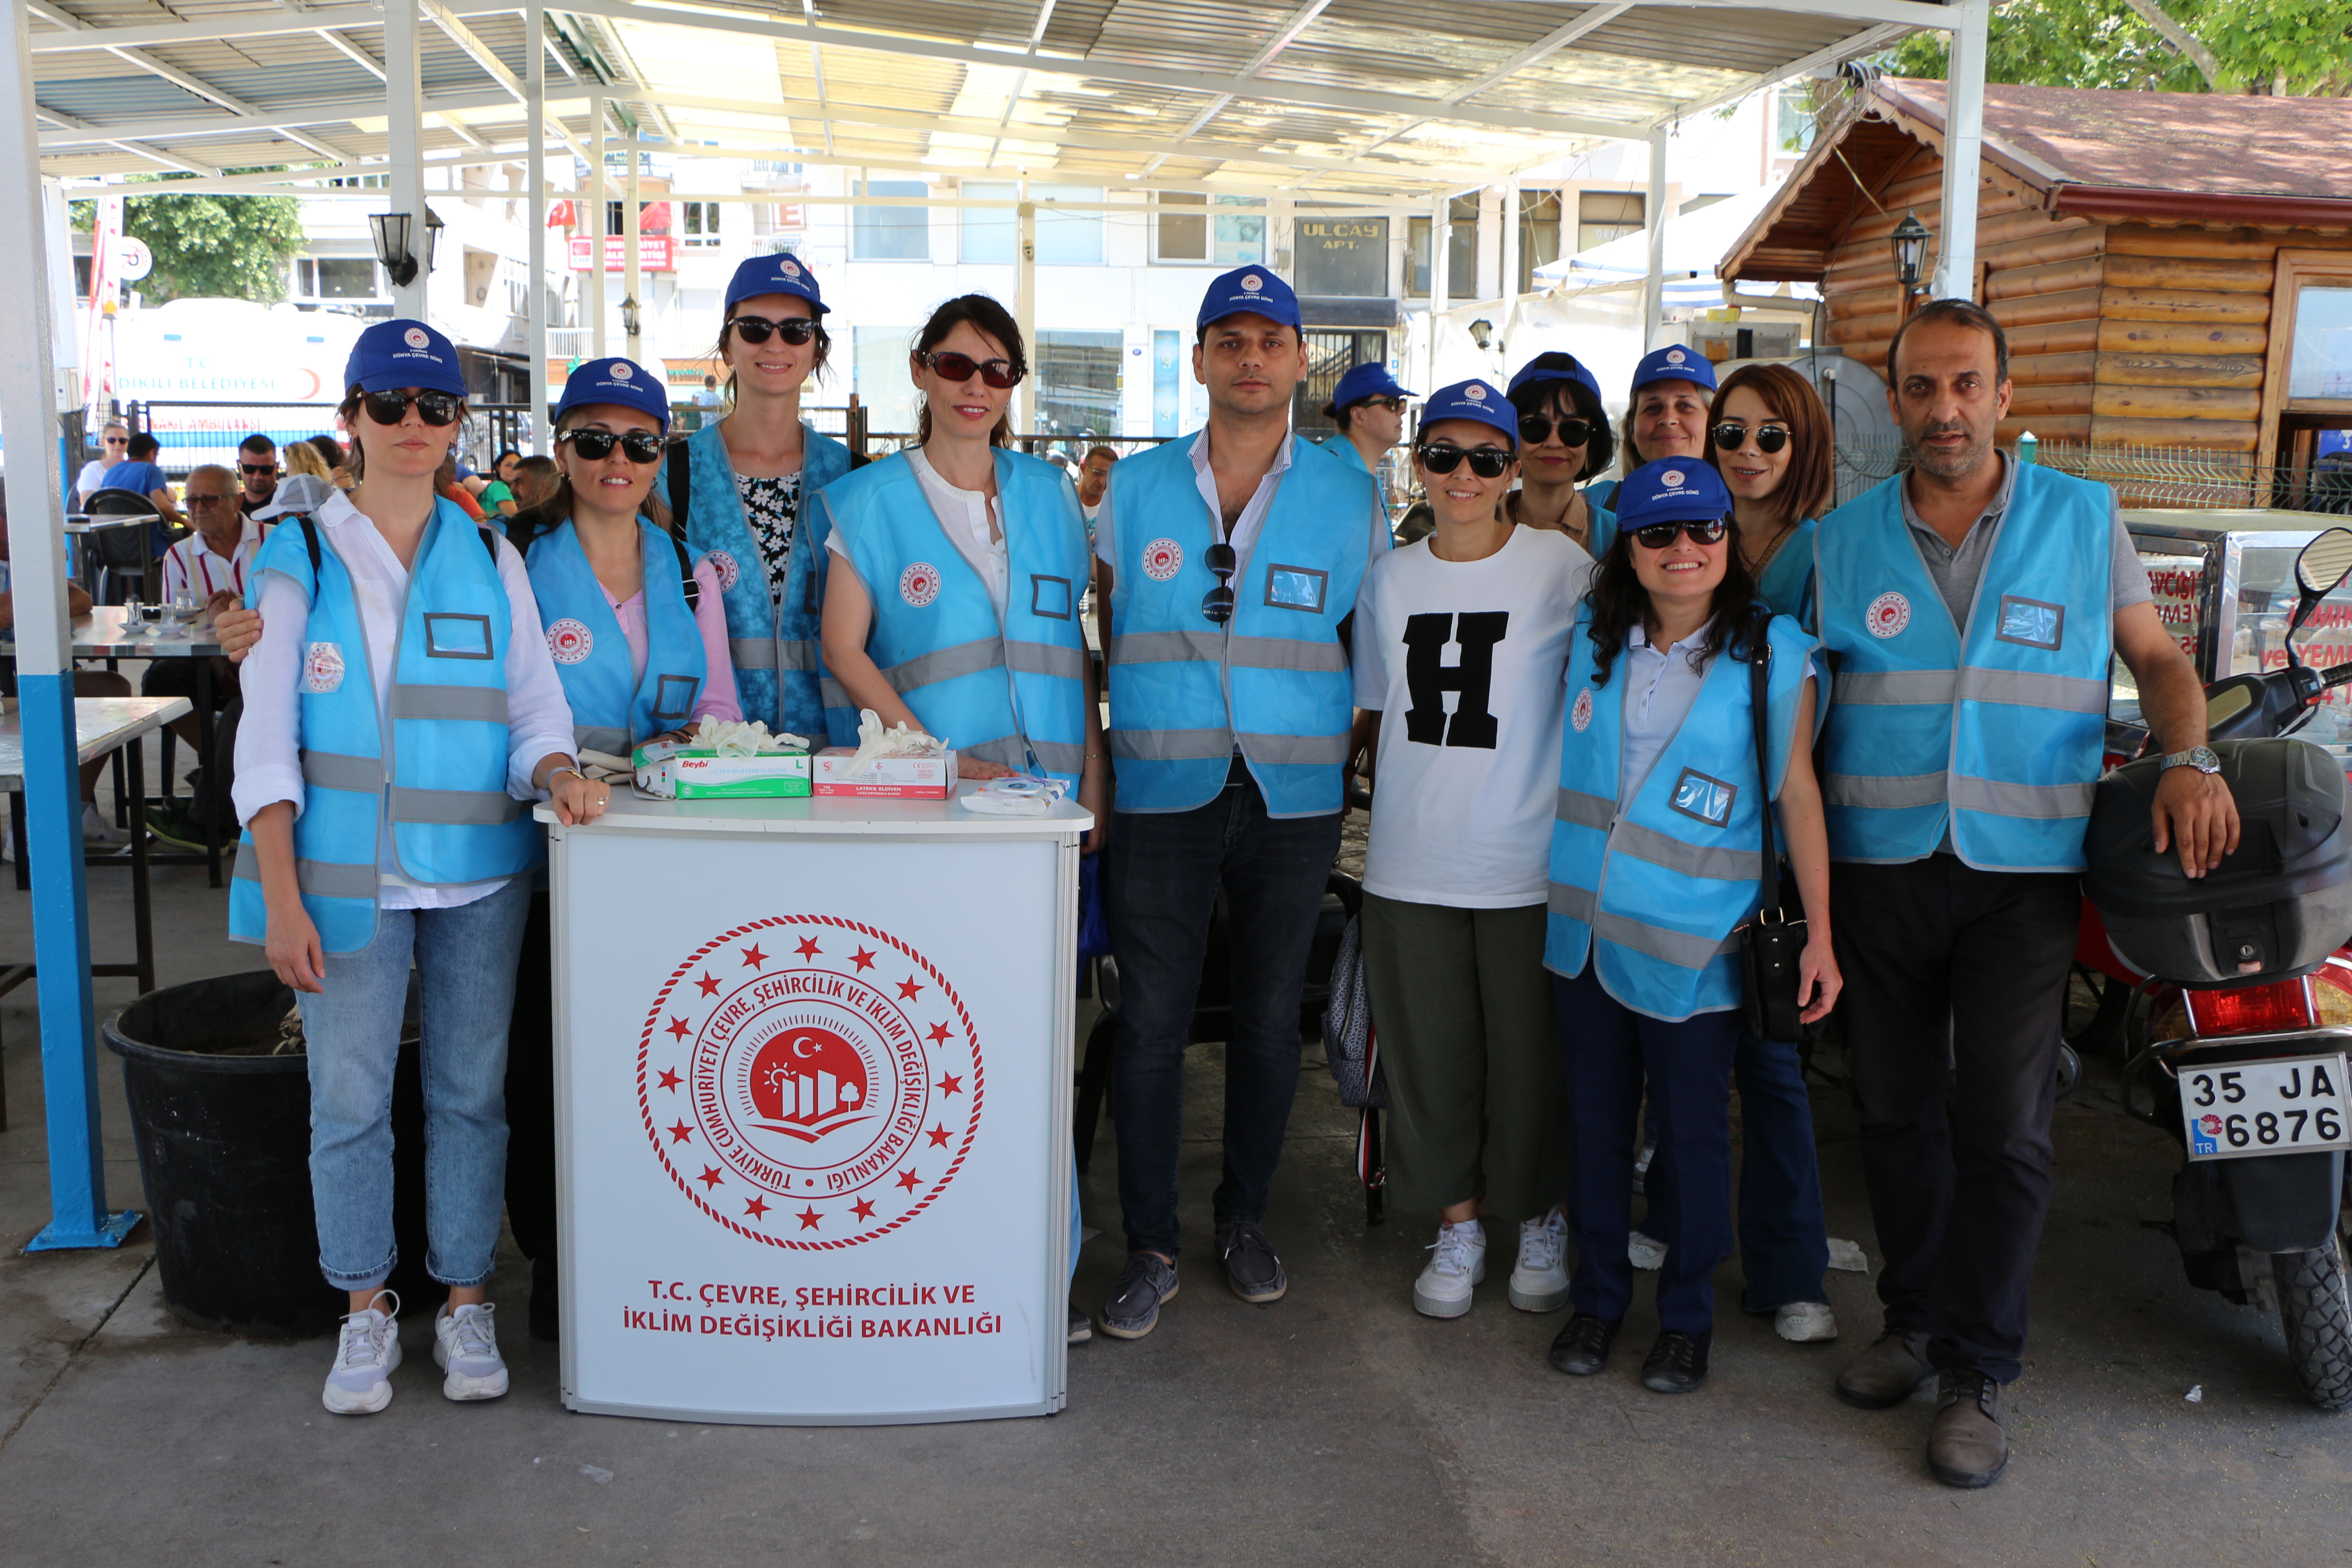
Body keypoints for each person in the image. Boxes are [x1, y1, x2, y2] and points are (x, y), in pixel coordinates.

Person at [1817, 298, 2235, 1487]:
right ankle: (1911, 1322)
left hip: (2024, 874)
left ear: (2005, 398)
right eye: (1921, 388)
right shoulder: (1843, 543)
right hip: (1882, 865)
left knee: (2002, 1127)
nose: (1944, 410)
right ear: (1894, 402)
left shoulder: (2080, 517)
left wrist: (2190, 758)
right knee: (1893, 1111)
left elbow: (2157, 661)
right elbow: (1781, 693)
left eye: (1966, 386)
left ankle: (1978, 1370)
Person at [227, 317, 600, 1417]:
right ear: (349, 420)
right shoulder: (294, 554)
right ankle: (364, 1305)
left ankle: (465, 1296)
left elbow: (534, 700)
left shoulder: (488, 550)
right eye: (387, 404)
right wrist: (281, 890)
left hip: (481, 871)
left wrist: (558, 770)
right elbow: (264, 736)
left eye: (433, 407)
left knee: (469, 1096)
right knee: (346, 1096)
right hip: (345, 882)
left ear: (456, 425)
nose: (411, 425)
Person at [1090, 266, 1387, 1340]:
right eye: (1230, 339)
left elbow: (1369, 651)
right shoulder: (1133, 488)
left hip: (1292, 793)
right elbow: (1110, 620)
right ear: (1201, 358)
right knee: (1151, 1024)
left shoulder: (1352, 495)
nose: (1251, 357)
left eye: (1271, 340)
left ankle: (1245, 1216)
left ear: (1302, 359)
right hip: (1163, 786)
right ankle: (1151, 1243)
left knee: (1269, 1021)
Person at [1544, 459, 1838, 1396]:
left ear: (1729, 539)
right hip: (1585, 933)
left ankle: (1685, 1320)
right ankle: (1596, 1300)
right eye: (1660, 532)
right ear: (1627, 547)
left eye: (1704, 530)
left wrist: (1822, 934)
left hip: (1696, 942)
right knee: (1592, 1129)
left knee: (1693, 1134)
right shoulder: (1593, 639)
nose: (1685, 550)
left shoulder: (1773, 653)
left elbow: (1797, 796)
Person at [505, 357, 742, 1342]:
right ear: (563, 450)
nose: (617, 460)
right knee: (551, 1064)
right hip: (548, 855)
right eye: (594, 440)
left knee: (660, 1064)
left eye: (640, 443)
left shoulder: (692, 574)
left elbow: (724, 707)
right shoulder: (509, 561)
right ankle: (559, 1272)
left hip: (662, 863)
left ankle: (655, 1261)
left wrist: (692, 747)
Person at [1348, 379, 1592, 1320]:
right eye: (1443, 455)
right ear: (1420, 464)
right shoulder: (1391, 578)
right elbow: (1376, 710)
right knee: (1431, 1057)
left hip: (1528, 858)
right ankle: (1458, 1223)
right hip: (1413, 856)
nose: (1464, 474)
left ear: (1514, 469)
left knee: (1531, 1057)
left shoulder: (1562, 571)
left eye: (1487, 458)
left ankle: (1538, 1215)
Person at [1627, 360, 1845, 1348]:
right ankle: (1677, 1224)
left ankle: (1791, 1268)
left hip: (1768, 853)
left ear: (1804, 447)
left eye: (1771, 436)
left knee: (1767, 1062)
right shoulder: (1680, 537)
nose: (1748, 452)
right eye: (1732, 433)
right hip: (1679, 859)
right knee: (1680, 1048)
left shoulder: (1825, 557)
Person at [663, 251, 855, 738]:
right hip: (714, 758)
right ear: (727, 346)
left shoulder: (852, 478)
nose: (775, 343)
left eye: (795, 330)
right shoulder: (676, 475)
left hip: (838, 758)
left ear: (817, 350)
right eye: (754, 328)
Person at [0, 490, 122, 845]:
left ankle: (77, 810)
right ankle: (28, 825)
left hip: (27, 677)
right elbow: (7, 614)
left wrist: (44, 571)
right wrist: (36, 569)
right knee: (41, 703)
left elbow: (81, 601)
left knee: (111, 690)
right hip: (9, 687)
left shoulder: (15, 565)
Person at [145, 463, 250, 755]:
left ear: (237, 501)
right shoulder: (178, 556)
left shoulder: (273, 540)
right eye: (192, 500)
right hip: (209, 666)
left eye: (210, 499)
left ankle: (219, 770)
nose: (199, 508)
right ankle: (219, 757)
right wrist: (217, 660)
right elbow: (174, 627)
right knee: (160, 679)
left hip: (267, 657)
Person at [1503, 353, 1617, 555]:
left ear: (1592, 442)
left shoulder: (1620, 539)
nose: (1554, 443)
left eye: (1573, 430)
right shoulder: (1468, 531)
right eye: (1535, 427)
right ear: (1510, 436)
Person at [1587, 345, 1715, 514]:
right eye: (1653, 408)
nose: (1668, 420)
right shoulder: (1596, 503)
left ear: (1714, 423)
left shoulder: (1744, 506)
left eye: (1685, 406)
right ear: (1632, 429)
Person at [1322, 362, 1411, 479]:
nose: (1402, 410)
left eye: (1401, 402)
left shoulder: (1354, 469)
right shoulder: (1330, 466)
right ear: (1359, 416)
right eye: (1392, 403)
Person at [101, 430, 185, 549]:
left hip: (114, 548)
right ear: (151, 453)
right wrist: (187, 523)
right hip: (147, 546)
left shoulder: (111, 472)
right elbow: (162, 506)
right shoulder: (151, 470)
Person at [76, 422, 128, 508]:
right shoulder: (93, 469)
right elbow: (86, 501)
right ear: (103, 442)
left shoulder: (134, 469)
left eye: (123, 441)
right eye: (112, 440)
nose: (118, 444)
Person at [236, 434, 279, 518]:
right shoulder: (232, 510)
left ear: (277, 467)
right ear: (239, 467)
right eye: (249, 469)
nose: (258, 477)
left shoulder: (290, 508)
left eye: (266, 470)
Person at [478, 448, 522, 519]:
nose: (512, 469)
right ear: (498, 468)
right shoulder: (499, 486)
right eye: (508, 465)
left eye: (517, 466)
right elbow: (516, 517)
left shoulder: (511, 489)